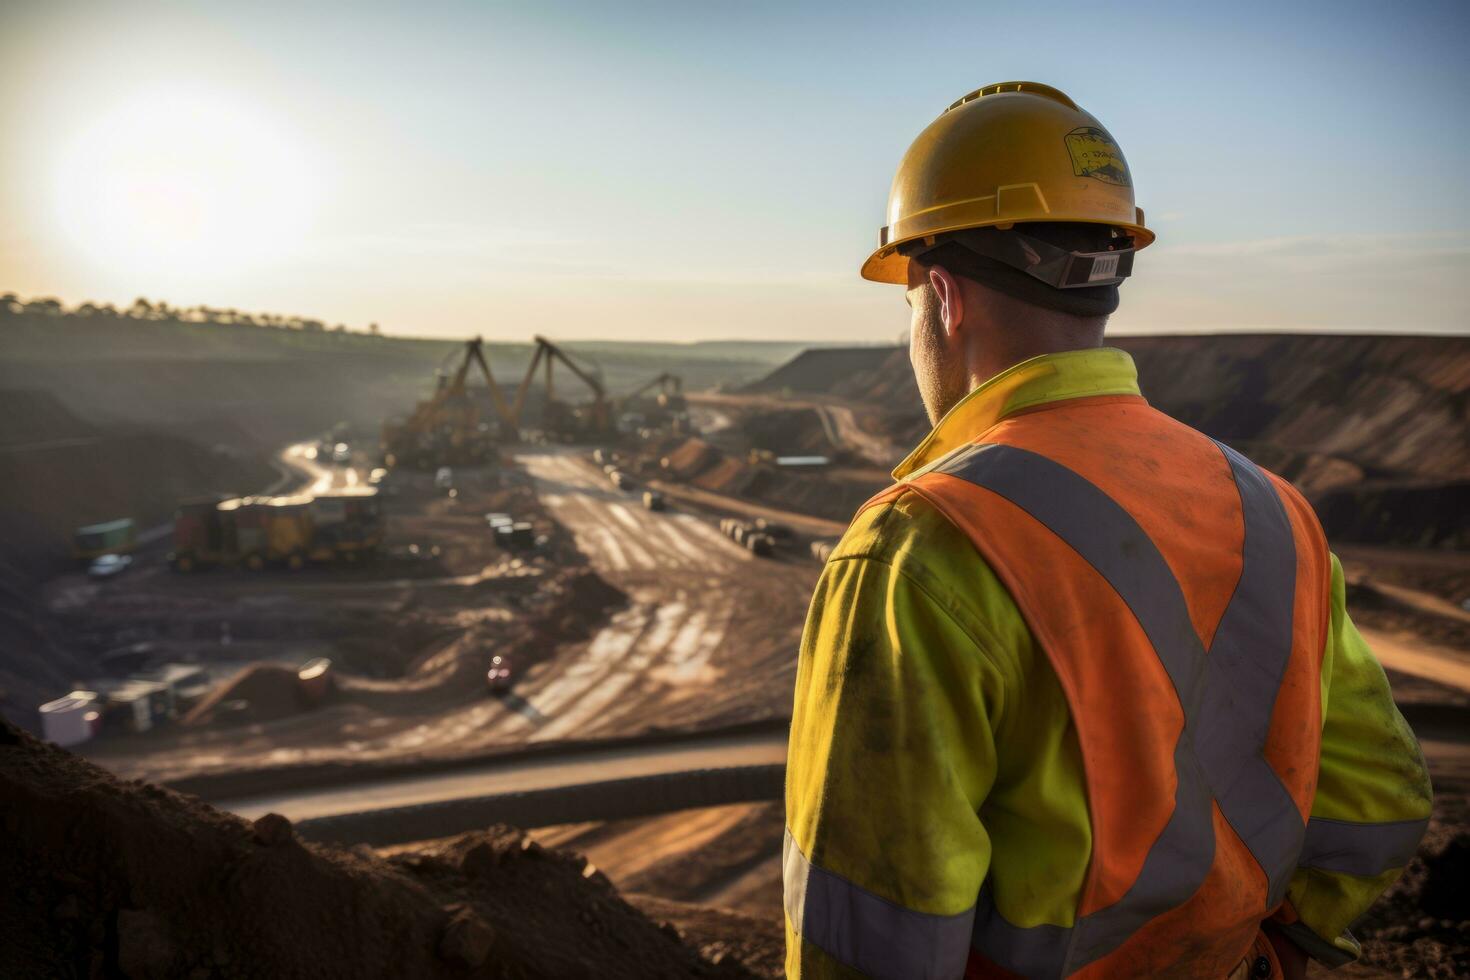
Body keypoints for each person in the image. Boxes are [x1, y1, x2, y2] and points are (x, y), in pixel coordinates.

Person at [783, 82, 1433, 980]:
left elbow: (865, 931)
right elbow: (1381, 796)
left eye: (907, 308)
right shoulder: (1274, 509)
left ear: (942, 296)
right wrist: (1269, 946)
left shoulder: (921, 545)